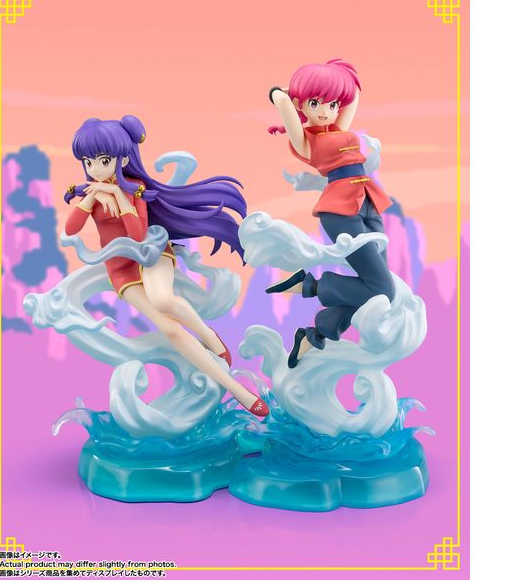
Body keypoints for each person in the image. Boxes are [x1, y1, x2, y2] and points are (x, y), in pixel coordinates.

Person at [64, 115, 268, 416]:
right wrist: (91, 197)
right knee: (170, 331)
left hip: (151, 252)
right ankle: (238, 390)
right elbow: (71, 228)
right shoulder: (90, 194)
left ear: (122, 159)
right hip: (121, 270)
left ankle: (209, 335)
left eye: (103, 161)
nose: (95, 169)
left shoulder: (135, 188)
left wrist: (119, 197)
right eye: (88, 162)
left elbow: (137, 234)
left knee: (162, 299)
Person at [266, 59, 395, 368]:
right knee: (383, 291)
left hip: (369, 202)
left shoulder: (338, 129)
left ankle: (316, 334)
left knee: (373, 286)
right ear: (302, 105)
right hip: (341, 209)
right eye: (315, 103)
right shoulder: (305, 142)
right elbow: (281, 100)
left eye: (332, 104)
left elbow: (354, 96)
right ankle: (312, 287)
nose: (325, 110)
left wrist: (342, 80)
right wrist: (286, 92)